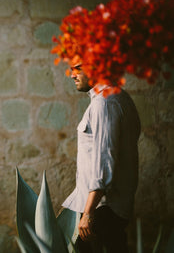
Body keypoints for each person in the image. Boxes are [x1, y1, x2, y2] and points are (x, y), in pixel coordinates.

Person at [62, 63, 141, 253]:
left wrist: (88, 213)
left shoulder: (104, 102)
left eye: (78, 68)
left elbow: (104, 162)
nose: (72, 75)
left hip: (102, 209)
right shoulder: (119, 97)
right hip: (107, 208)